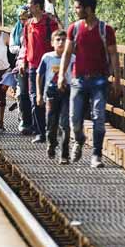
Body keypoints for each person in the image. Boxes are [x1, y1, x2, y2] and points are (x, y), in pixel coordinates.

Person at [59, 0, 121, 167]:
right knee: (74, 118)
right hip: (78, 80)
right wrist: (62, 76)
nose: (75, 10)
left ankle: (96, 155)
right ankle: (79, 139)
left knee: (99, 117)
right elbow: (67, 53)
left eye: (78, 7)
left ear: (88, 9)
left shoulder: (105, 30)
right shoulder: (74, 28)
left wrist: (117, 80)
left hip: (99, 80)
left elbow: (114, 56)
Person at [19, 0, 59, 143]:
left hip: (49, 67)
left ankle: (52, 131)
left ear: (37, 6)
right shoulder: (28, 24)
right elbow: (26, 45)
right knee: (35, 99)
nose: (28, 6)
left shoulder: (50, 23)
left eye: (30, 4)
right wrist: (23, 61)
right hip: (33, 67)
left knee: (51, 98)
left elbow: (59, 43)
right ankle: (40, 133)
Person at [37, 30, 74, 164]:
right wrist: (39, 94)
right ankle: (51, 144)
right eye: (58, 40)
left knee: (65, 124)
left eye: (64, 40)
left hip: (67, 91)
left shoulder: (72, 58)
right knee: (51, 124)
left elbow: (76, 76)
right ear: (52, 42)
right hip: (51, 92)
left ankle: (64, 154)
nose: (61, 42)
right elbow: (39, 76)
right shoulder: (47, 57)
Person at [12, 4, 33, 134]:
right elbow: (12, 46)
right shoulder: (18, 28)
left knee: (34, 94)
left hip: (33, 63)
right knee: (21, 93)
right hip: (21, 63)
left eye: (26, 17)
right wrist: (21, 52)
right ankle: (24, 120)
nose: (23, 21)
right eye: (21, 18)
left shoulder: (34, 27)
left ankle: (36, 123)